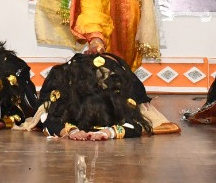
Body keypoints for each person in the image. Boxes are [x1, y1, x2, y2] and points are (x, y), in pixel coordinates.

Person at [20, 52, 177, 140]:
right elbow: (49, 121)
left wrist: (110, 132)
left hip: (116, 83)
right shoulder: (64, 94)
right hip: (72, 90)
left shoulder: (121, 94)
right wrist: (70, 131)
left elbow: (135, 125)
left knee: (143, 115)